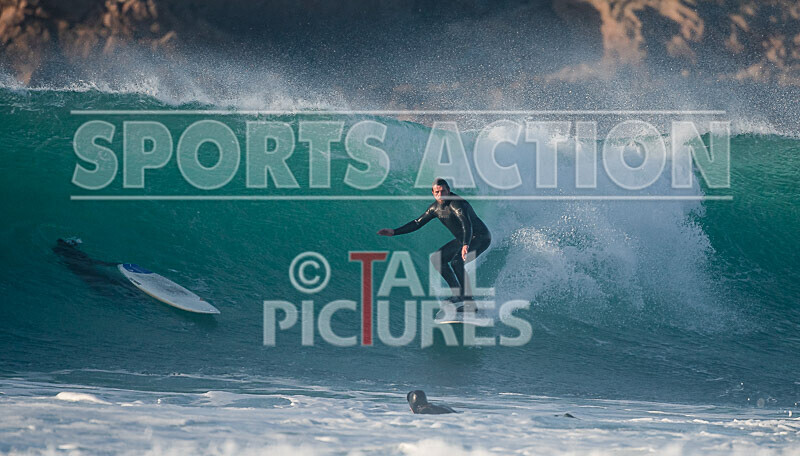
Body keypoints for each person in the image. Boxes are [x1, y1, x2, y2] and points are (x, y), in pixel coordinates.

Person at [377, 178, 491, 306]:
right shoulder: (435, 208)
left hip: (480, 237)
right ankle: (458, 295)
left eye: (443, 191)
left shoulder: (457, 204)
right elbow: (417, 223)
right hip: (463, 239)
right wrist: (394, 232)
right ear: (433, 192)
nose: (440, 195)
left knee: (457, 262)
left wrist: (466, 244)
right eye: (437, 192)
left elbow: (466, 224)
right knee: (437, 259)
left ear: (448, 190)